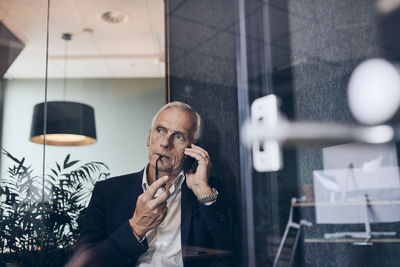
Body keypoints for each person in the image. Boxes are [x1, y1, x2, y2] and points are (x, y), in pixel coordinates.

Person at [71, 101, 234, 266]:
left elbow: (231, 254)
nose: (165, 143)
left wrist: (203, 193)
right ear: (149, 137)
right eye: (160, 130)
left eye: (179, 136)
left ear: (192, 149)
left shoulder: (207, 189)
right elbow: (86, 261)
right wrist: (136, 227)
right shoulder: (108, 192)